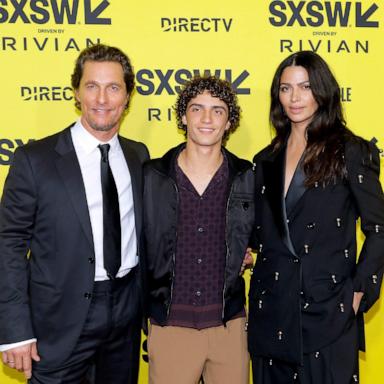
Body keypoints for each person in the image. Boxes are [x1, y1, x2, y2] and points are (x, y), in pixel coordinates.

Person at [0, 44, 149, 383]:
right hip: (58, 319)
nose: (102, 99)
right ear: (76, 92)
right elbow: (7, 244)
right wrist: (14, 330)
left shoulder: (138, 156)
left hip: (126, 311)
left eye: (113, 87)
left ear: (127, 96)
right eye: (92, 86)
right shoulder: (34, 159)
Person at [248, 50, 384, 383]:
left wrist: (356, 294)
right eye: (285, 88)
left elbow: (379, 229)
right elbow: (264, 231)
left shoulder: (351, 151)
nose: (294, 98)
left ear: (322, 91)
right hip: (271, 311)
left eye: (305, 87)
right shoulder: (265, 158)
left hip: (327, 311)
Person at [142, 76, 255, 384]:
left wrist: (250, 256)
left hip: (228, 325)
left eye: (218, 110)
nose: (207, 119)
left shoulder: (247, 176)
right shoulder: (152, 176)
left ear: (229, 121)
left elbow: (266, 237)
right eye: (197, 109)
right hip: (170, 324)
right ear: (183, 116)